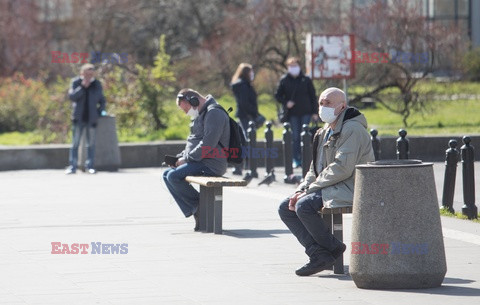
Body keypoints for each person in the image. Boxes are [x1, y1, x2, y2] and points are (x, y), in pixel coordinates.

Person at [278, 87, 375, 276]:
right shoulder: (325, 131)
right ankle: (319, 254)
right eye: (321, 103)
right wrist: (303, 188)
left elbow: (342, 168)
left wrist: (309, 192)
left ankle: (333, 247)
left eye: (328, 103)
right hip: (333, 184)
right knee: (285, 207)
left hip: (353, 186)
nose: (323, 107)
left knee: (304, 206)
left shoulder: (352, 129)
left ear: (342, 106)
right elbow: (315, 168)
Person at [163, 88, 230, 231]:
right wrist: (181, 157)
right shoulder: (202, 113)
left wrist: (186, 159)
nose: (186, 113)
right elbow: (195, 141)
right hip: (200, 161)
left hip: (211, 163)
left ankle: (201, 208)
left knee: (173, 176)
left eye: (185, 109)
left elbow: (208, 144)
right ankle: (197, 209)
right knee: (166, 174)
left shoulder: (214, 113)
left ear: (193, 100)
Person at [275, 57, 318, 168]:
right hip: (293, 113)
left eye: (295, 65)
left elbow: (313, 96)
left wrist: (315, 112)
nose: (293, 68)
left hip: (306, 111)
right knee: (295, 137)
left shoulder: (306, 79)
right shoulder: (284, 80)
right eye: (291, 66)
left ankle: (306, 159)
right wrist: (286, 102)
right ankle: (296, 158)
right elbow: (278, 95)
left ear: (299, 66)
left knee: (305, 136)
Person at [65, 63, 106, 174]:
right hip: (78, 118)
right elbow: (72, 97)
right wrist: (82, 87)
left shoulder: (96, 84)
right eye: (87, 74)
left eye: (91, 74)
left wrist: (99, 112)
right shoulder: (76, 82)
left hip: (91, 119)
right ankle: (73, 166)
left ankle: (90, 166)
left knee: (91, 144)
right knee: (75, 143)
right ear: (82, 73)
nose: (89, 76)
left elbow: (102, 100)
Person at [231, 63, 260, 175]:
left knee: (246, 141)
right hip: (246, 115)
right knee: (247, 141)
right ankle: (245, 166)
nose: (252, 74)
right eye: (250, 71)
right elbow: (244, 103)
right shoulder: (243, 85)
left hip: (246, 115)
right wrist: (254, 113)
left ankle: (245, 166)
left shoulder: (244, 84)